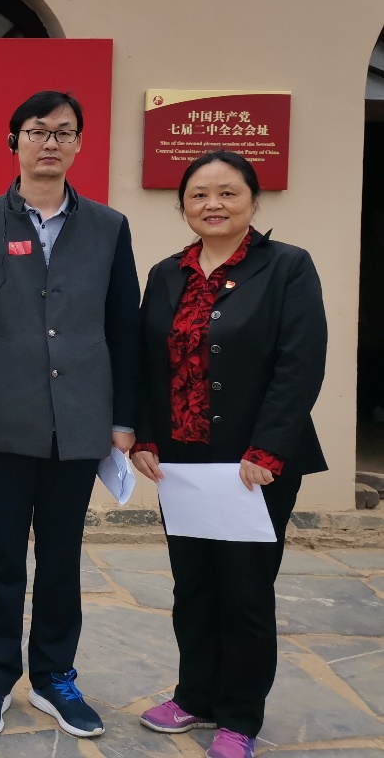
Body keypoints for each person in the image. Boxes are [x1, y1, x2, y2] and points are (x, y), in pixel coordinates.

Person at [0, 91, 139, 739]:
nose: (49, 142)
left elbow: (125, 325)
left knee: (62, 554)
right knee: (1, 553)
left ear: (79, 144)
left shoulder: (109, 227)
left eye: (63, 132)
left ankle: (55, 677)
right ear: (15, 142)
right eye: (37, 131)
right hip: (2, 415)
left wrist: (123, 417)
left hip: (80, 417)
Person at [132, 151, 327, 758]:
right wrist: (145, 435)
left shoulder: (287, 266)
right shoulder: (167, 273)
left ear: (253, 200)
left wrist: (269, 448)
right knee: (193, 585)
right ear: (183, 205)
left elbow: (300, 363)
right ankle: (195, 696)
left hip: (253, 464)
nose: (212, 204)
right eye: (198, 194)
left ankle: (239, 716)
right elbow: (147, 362)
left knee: (245, 591)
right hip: (183, 463)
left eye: (227, 192)